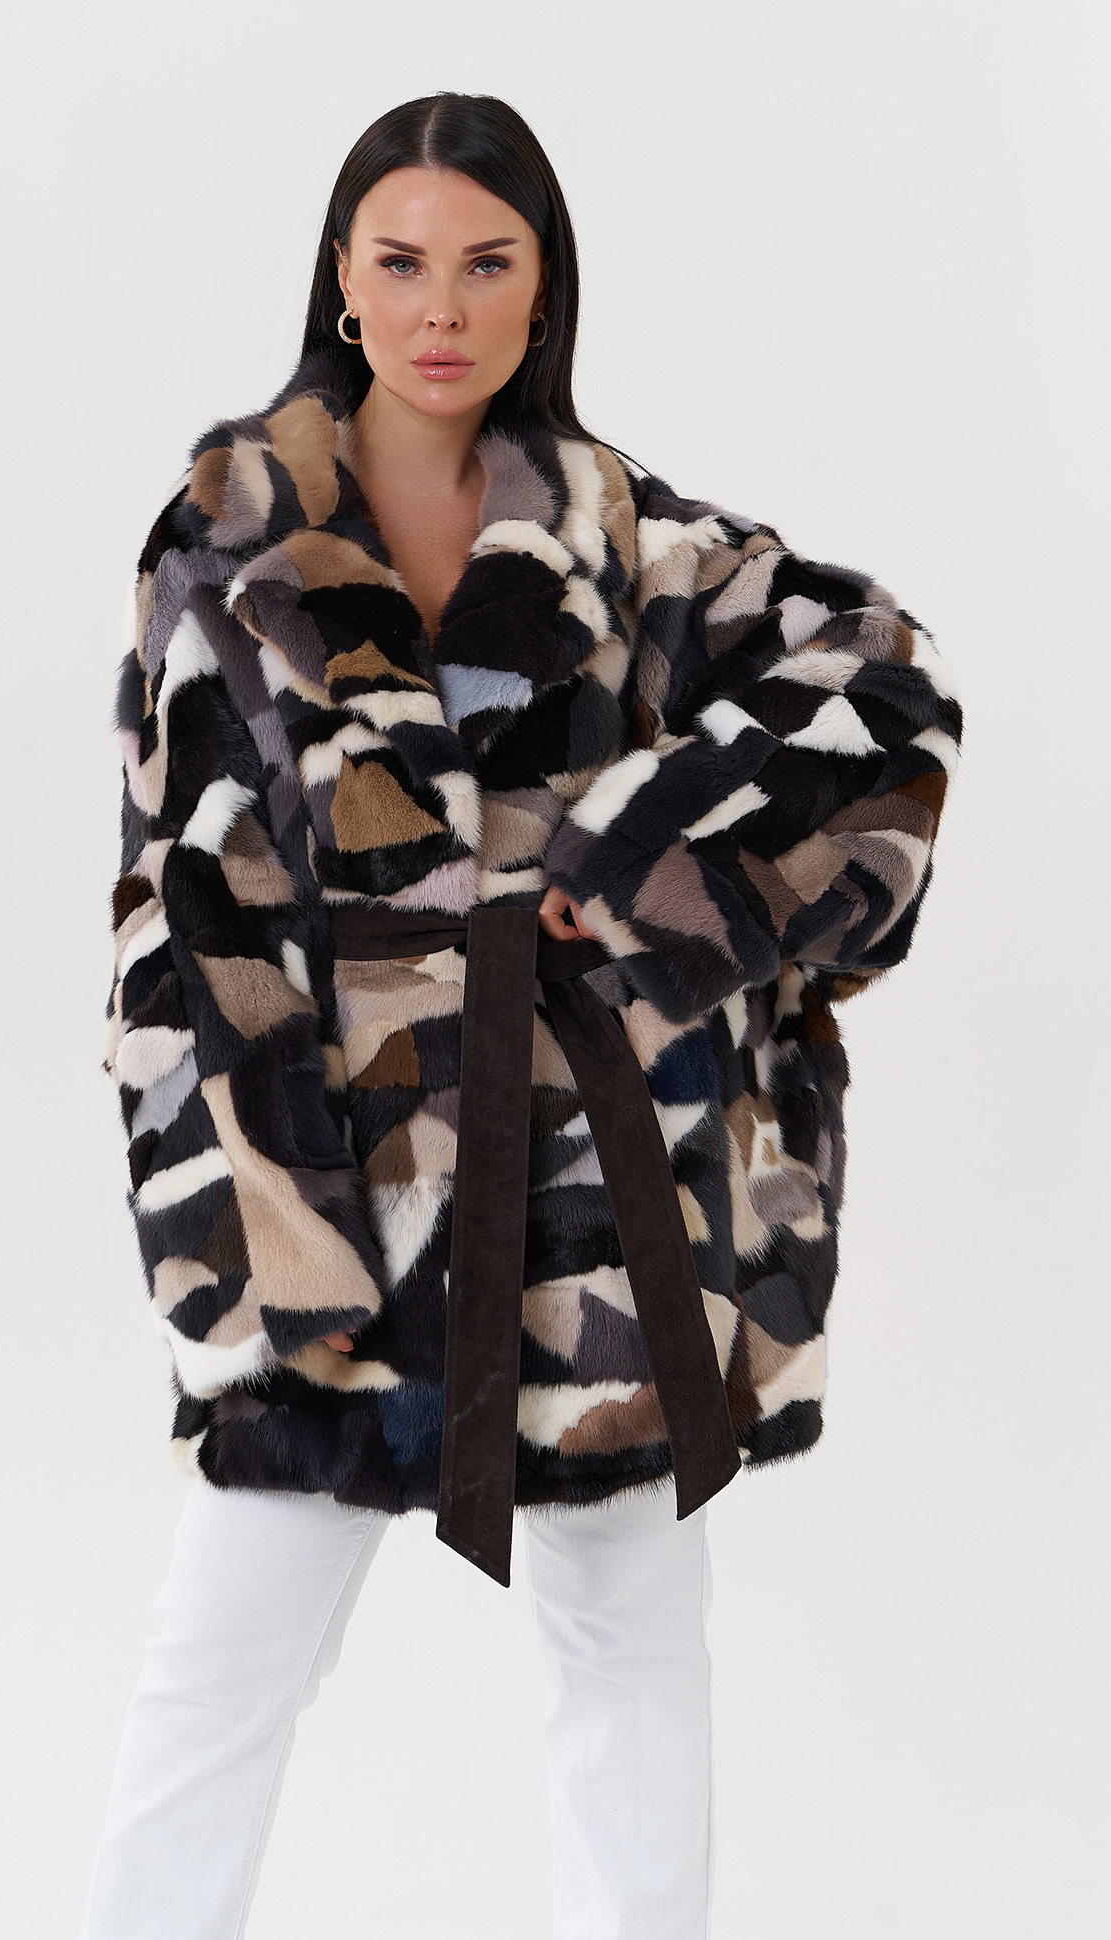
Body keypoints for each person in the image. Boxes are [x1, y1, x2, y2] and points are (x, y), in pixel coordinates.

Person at [83, 92, 960, 1940]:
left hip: (592, 1197)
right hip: (321, 1180)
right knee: (216, 1664)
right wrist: (248, 1230)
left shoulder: (633, 542)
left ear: (542, 286)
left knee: (629, 1651)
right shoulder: (220, 550)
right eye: (401, 262)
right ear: (340, 279)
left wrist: (644, 856)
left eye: (487, 265)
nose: (441, 308)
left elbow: (881, 688)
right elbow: (173, 906)